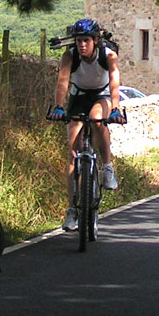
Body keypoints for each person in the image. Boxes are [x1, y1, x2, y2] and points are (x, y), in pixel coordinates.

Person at [46, 19, 127, 231]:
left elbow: (114, 81)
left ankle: (107, 167)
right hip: (78, 96)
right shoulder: (70, 56)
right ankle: (72, 210)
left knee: (97, 119)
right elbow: (63, 81)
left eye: (86, 41)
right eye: (79, 40)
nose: (82, 45)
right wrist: (58, 106)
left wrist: (116, 108)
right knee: (73, 153)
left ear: (95, 40)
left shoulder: (108, 55)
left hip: (101, 96)